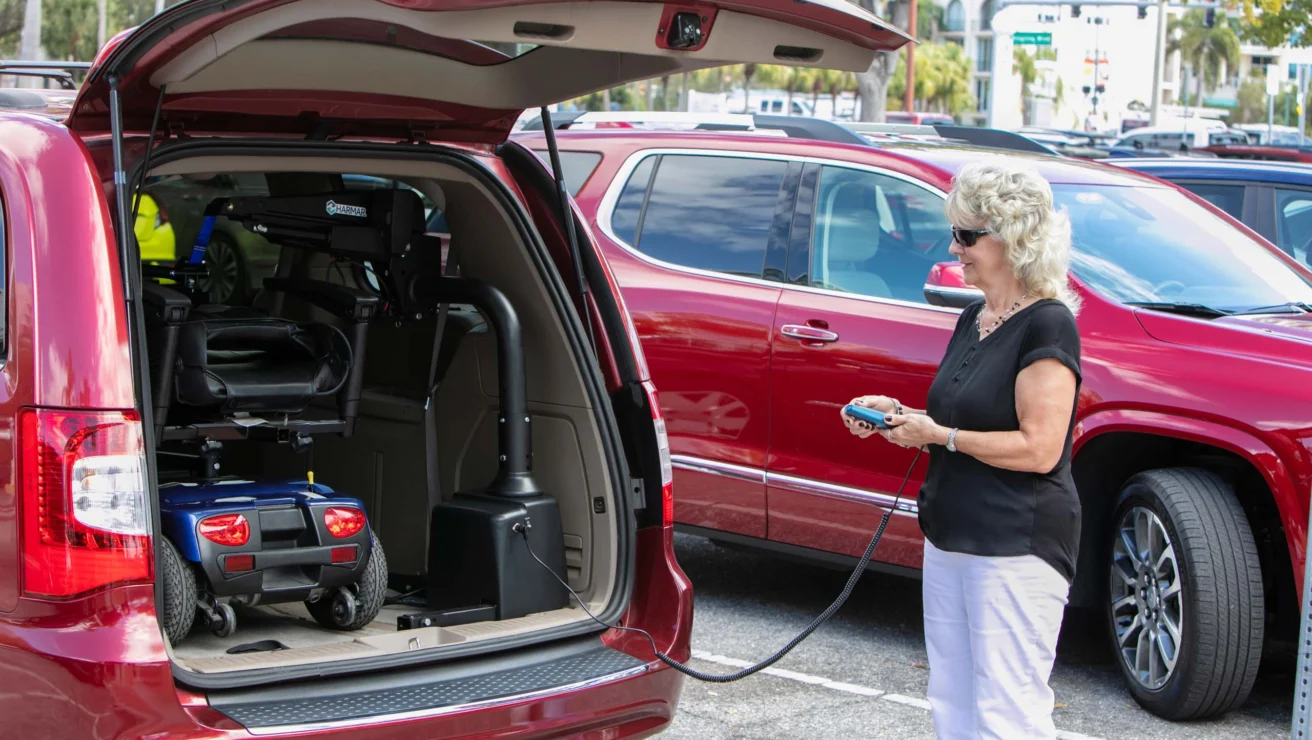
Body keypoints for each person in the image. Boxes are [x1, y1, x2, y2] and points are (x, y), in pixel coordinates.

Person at [841, 157, 1083, 739]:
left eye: (967, 235)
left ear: (1014, 237)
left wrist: (939, 435)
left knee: (1007, 710)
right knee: (951, 699)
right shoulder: (975, 317)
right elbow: (956, 416)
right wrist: (900, 418)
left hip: (1013, 543)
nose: (955, 247)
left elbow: (1040, 449)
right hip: (951, 535)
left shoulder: (1047, 326)